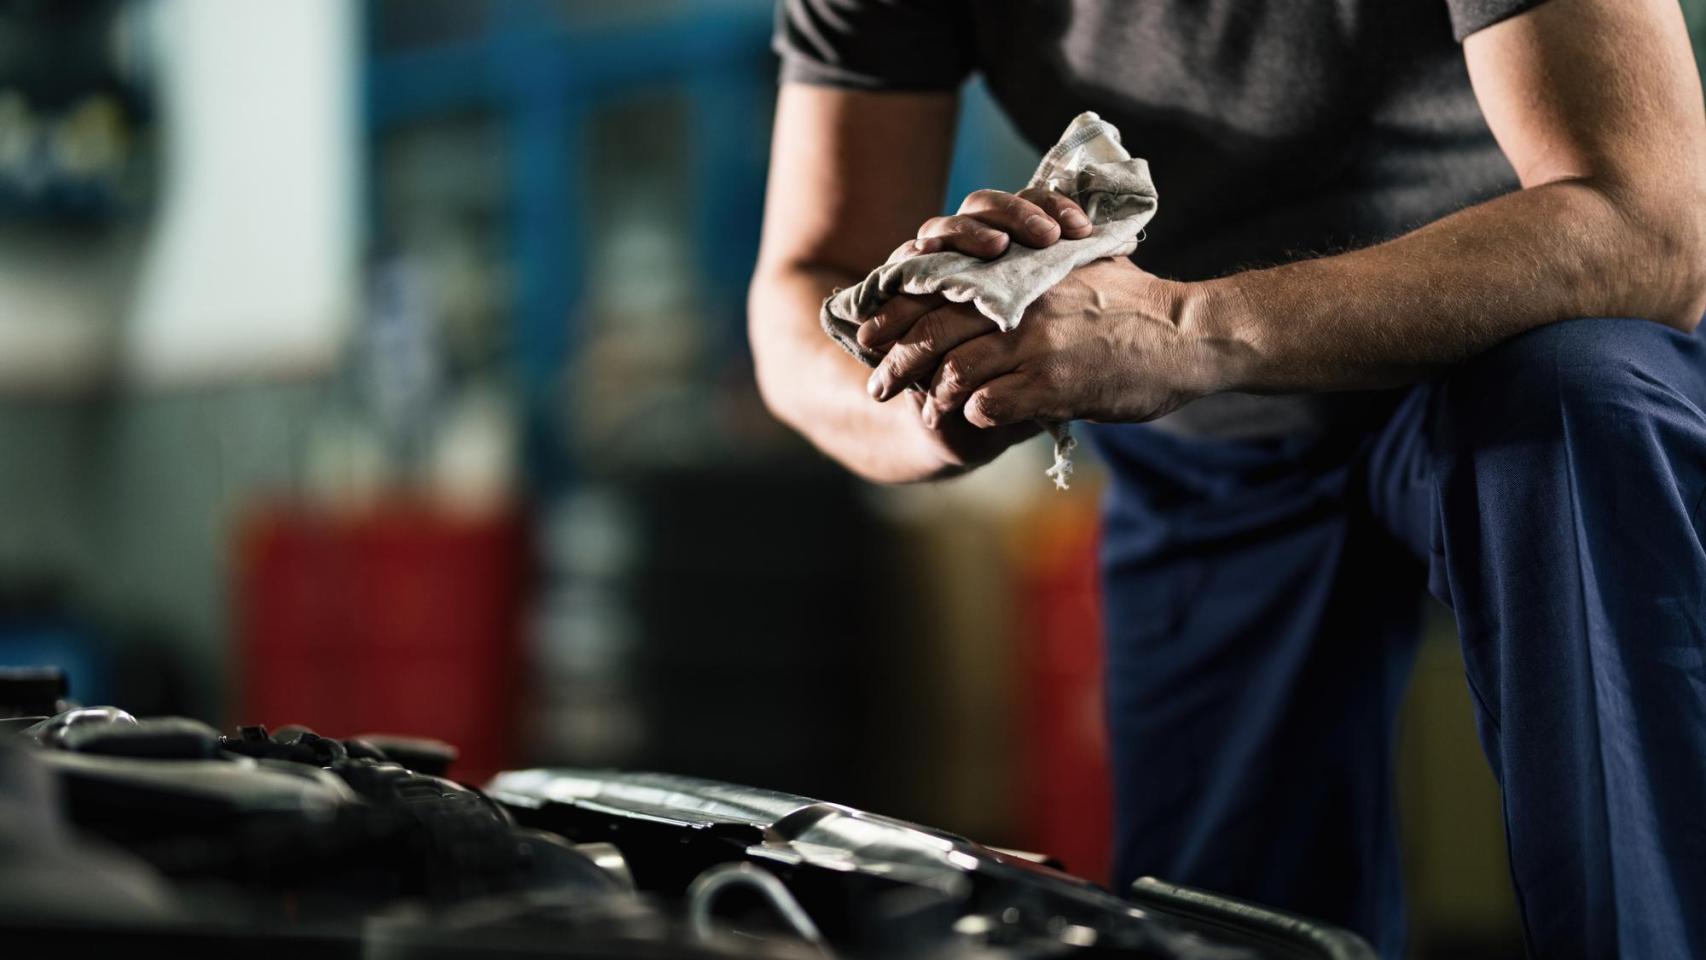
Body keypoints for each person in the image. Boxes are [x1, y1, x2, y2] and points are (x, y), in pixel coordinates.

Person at [746, 0, 1706, 956]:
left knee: (1584, 404)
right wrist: (962, 374)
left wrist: (1184, 329)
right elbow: (801, 299)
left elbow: (1652, 225)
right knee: (1218, 921)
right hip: (1205, 441)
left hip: (1504, 372)